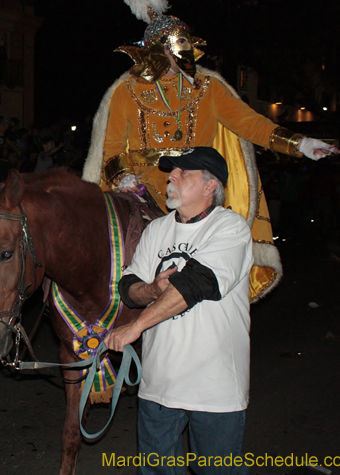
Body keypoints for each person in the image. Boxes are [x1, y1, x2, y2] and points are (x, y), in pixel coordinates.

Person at [83, 0, 340, 301]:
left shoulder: (209, 88)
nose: (179, 62)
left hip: (197, 195)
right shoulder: (127, 91)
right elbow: (111, 149)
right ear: (153, 53)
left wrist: (299, 143)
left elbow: (249, 123)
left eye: (184, 52)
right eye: (171, 54)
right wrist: (121, 176)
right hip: (142, 192)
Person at [105, 147, 253, 475]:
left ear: (210, 185)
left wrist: (135, 327)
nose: (170, 176)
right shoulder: (157, 229)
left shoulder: (231, 228)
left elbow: (197, 283)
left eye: (183, 172)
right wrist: (152, 290)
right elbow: (129, 287)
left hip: (214, 388)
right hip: (159, 386)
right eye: (172, 171)